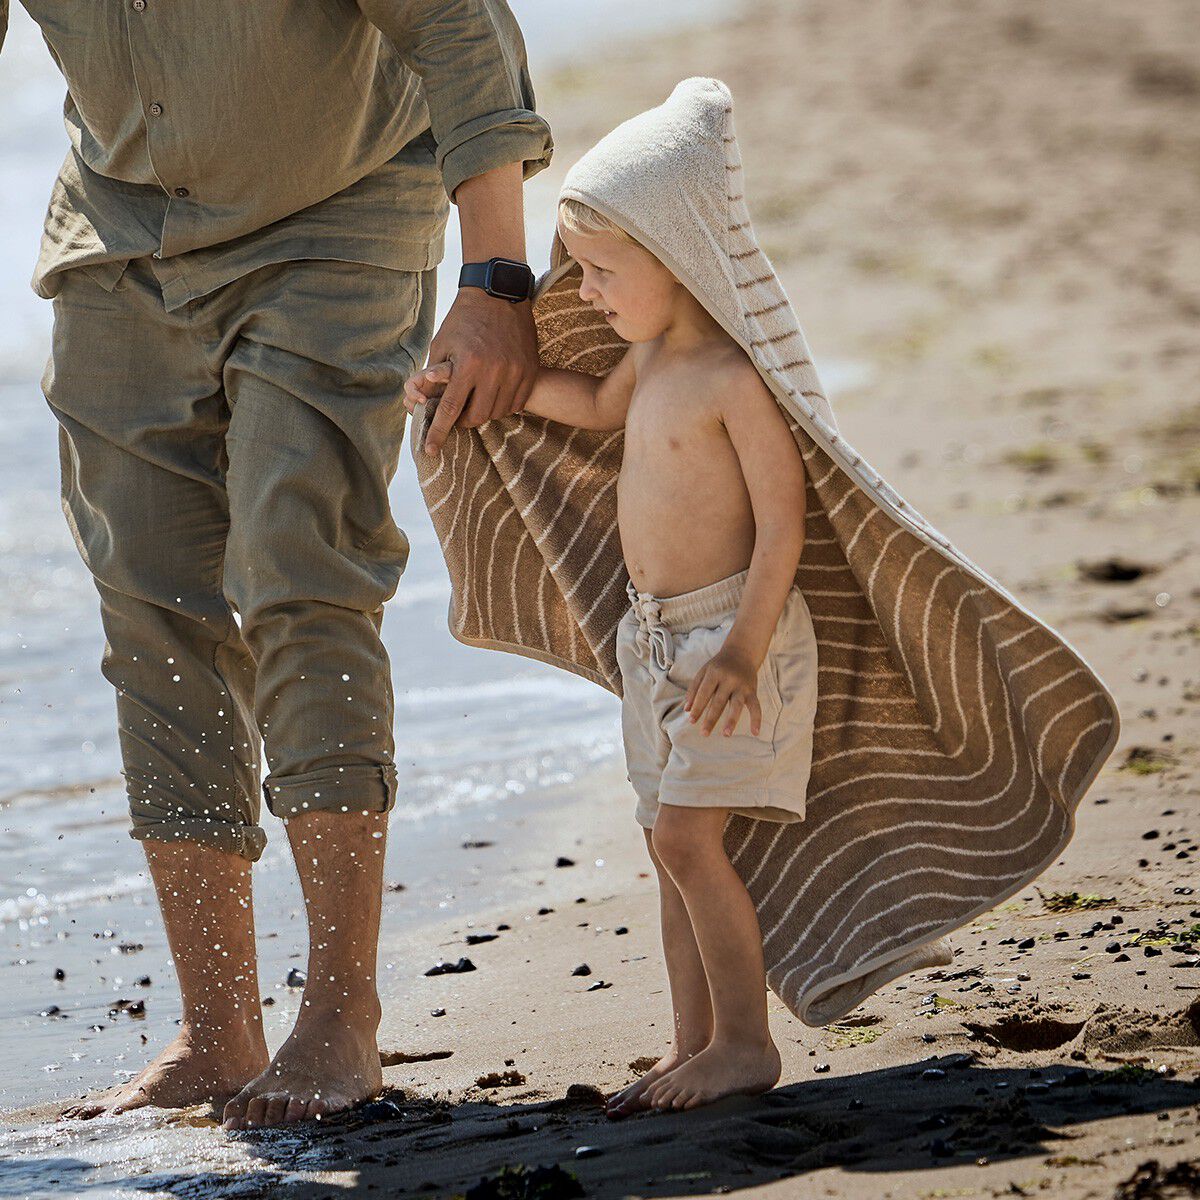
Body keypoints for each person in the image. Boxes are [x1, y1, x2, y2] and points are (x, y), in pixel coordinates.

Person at [2, 0, 552, 1129]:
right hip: (118, 239)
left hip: (336, 214)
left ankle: (340, 1012)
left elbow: (453, 19)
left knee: (300, 572)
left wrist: (497, 280)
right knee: (151, 607)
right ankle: (216, 1032)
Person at [404, 196, 821, 1113]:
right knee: (666, 846)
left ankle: (747, 1045)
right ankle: (695, 1045)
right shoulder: (649, 359)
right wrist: (465, 388)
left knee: (686, 839)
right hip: (654, 639)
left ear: (676, 259)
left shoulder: (729, 378)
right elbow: (591, 407)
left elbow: (785, 526)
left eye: (599, 272)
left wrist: (744, 652)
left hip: (728, 640)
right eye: (579, 271)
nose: (581, 293)